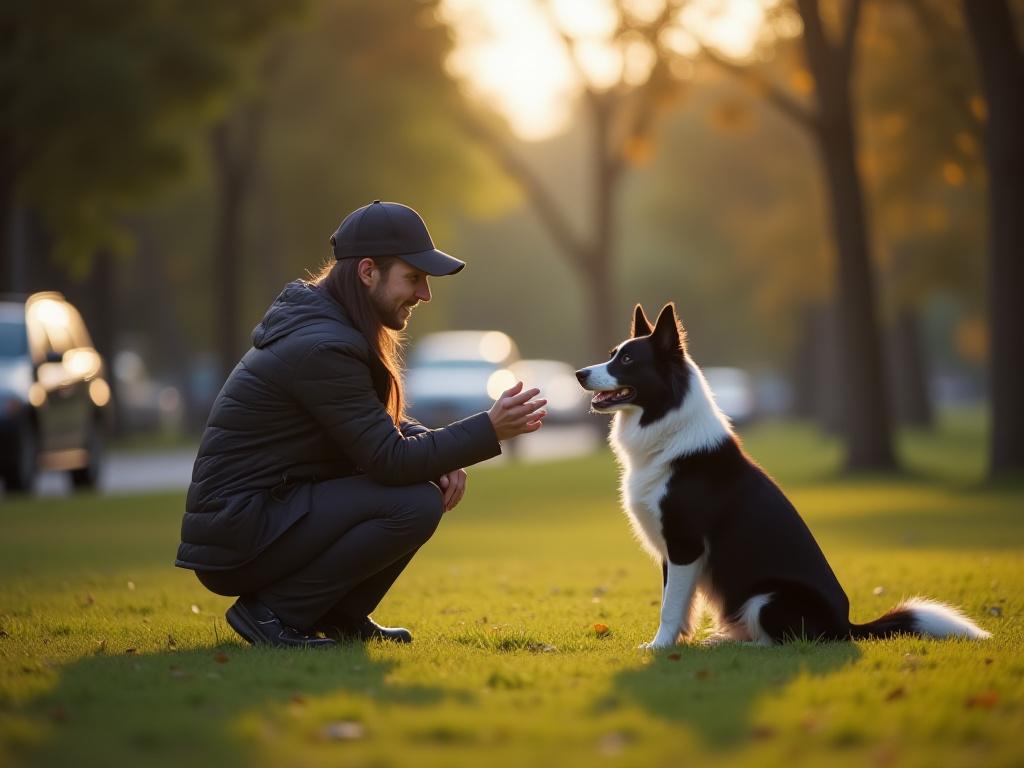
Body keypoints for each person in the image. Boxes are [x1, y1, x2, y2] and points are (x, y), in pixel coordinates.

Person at [175, 200, 547, 648]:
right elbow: (387, 460)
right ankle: (271, 614)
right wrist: (487, 429)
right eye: (413, 278)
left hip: (263, 515)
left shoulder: (330, 330)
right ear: (368, 271)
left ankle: (341, 615)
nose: (424, 294)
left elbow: (370, 427)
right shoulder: (323, 347)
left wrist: (436, 449)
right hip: (239, 532)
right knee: (413, 504)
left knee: (416, 496)